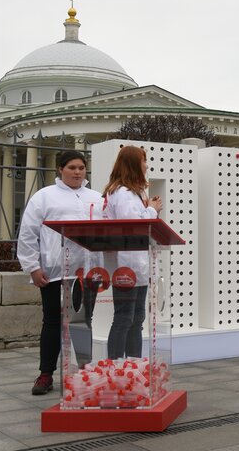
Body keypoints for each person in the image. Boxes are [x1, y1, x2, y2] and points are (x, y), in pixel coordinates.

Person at [17, 150, 103, 395]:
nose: (77, 172)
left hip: (88, 272)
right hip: (56, 272)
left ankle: (84, 370)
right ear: (60, 170)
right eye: (72, 167)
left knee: (83, 322)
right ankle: (46, 374)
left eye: (81, 168)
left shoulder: (96, 197)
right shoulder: (44, 197)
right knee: (53, 322)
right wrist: (32, 266)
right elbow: (27, 234)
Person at [101, 145, 162, 359]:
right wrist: (152, 210)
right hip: (127, 266)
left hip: (136, 266)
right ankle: (115, 366)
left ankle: (133, 365)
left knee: (136, 318)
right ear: (134, 164)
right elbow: (133, 223)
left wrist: (148, 208)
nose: (147, 165)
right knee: (125, 318)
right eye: (144, 161)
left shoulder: (131, 193)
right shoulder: (124, 193)